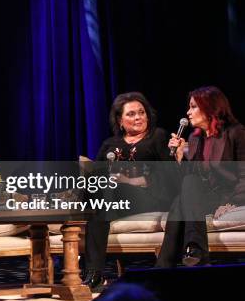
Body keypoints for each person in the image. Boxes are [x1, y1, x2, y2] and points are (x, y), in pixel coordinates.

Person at [83, 92, 177, 290]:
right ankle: (94, 273)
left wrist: (133, 180)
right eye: (132, 114)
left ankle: (94, 272)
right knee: (98, 194)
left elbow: (168, 176)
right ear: (120, 120)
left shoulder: (157, 136)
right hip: (115, 199)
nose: (138, 118)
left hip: (149, 198)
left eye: (142, 112)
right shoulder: (110, 144)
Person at [156, 86, 245, 267]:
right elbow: (191, 180)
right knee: (188, 184)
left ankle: (165, 265)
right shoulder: (196, 138)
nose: (188, 112)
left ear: (210, 107)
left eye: (194, 107)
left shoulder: (236, 132)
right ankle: (195, 251)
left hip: (229, 195)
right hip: (203, 197)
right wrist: (181, 157)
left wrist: (232, 203)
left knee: (178, 204)